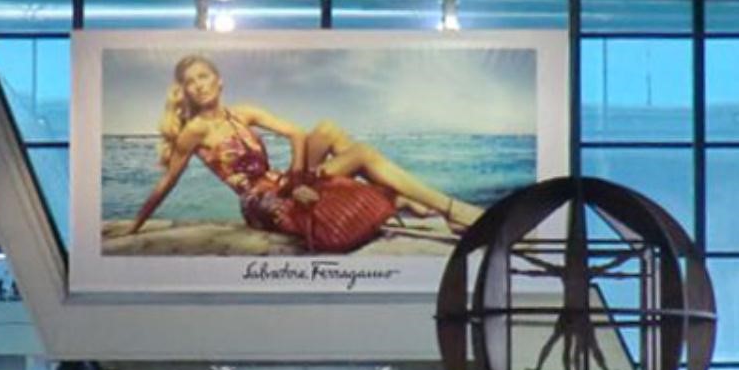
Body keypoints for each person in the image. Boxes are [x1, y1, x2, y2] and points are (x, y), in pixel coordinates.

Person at [127, 54, 486, 249]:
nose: (198, 85)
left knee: (329, 130)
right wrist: (134, 226)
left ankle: (404, 199)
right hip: (261, 203)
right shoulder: (195, 131)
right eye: (190, 82)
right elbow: (167, 183)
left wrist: (297, 179)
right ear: (185, 92)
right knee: (359, 153)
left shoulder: (245, 112)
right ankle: (446, 208)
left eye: (203, 76)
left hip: (284, 183)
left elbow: (298, 135)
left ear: (219, 80)